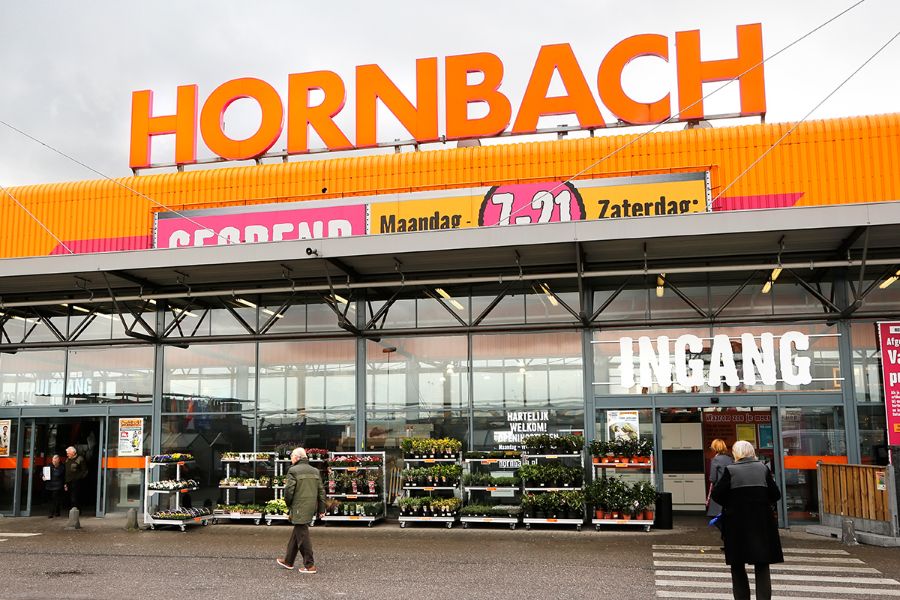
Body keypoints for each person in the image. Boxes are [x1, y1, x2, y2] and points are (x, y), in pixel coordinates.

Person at [710, 440, 783, 600]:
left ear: (736, 454)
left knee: (737, 564)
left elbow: (717, 494)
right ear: (752, 452)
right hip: (762, 522)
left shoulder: (731, 470)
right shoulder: (763, 468)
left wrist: (731, 503)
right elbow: (776, 494)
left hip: (736, 523)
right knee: (762, 564)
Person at [276, 447, 325, 574]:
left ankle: (310, 565)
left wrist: (288, 504)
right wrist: (321, 509)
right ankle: (288, 561)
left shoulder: (293, 470)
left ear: (297, 457)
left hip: (299, 506)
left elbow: (289, 491)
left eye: (292, 456)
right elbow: (321, 491)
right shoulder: (315, 471)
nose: (291, 458)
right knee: (298, 531)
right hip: (310, 507)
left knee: (302, 535)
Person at [707, 439, 733, 518]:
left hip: (719, 489)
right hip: (730, 489)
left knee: (716, 516)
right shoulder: (730, 458)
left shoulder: (715, 459)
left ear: (714, 448)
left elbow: (713, 478)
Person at [64, 446, 88, 510]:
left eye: (68, 453)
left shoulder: (80, 459)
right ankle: (71, 510)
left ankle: (76, 510)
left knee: (74, 497)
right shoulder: (67, 460)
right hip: (68, 481)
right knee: (69, 497)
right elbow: (66, 472)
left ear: (73, 453)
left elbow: (85, 471)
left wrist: (78, 478)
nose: (67, 455)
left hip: (76, 482)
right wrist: (65, 482)